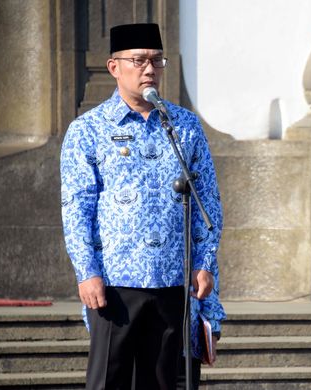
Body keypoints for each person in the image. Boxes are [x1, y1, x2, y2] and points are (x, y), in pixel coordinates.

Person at [60, 23, 225, 390]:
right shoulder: (88, 129)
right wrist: (87, 271)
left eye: (156, 60)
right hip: (116, 283)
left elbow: (207, 201)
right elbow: (77, 206)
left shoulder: (183, 125)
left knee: (166, 382)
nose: (149, 69)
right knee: (110, 380)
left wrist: (205, 262)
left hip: (174, 280)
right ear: (114, 67)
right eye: (138, 60)